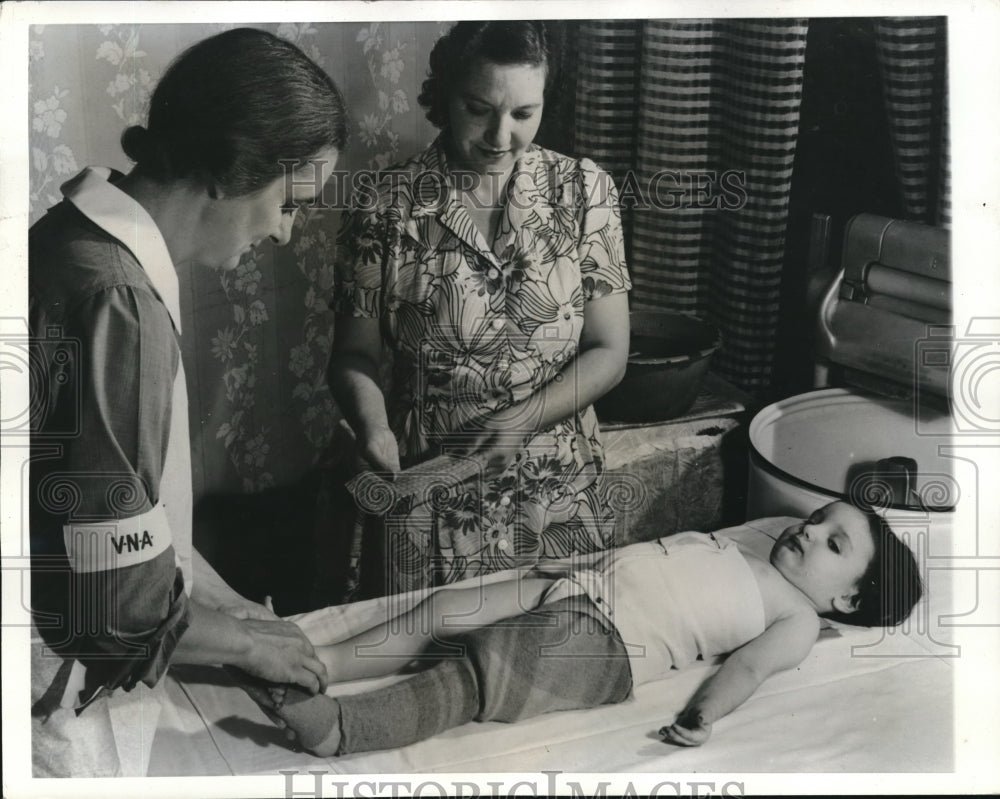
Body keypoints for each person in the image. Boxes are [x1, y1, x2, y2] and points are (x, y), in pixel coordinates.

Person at [28, 28, 347, 777]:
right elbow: (115, 611)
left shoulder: (68, 241)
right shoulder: (119, 304)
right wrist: (242, 642)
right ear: (235, 168)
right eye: (290, 203)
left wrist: (234, 605)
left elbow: (120, 521)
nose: (283, 231)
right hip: (47, 697)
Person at [326, 21, 632, 596]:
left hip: (556, 489)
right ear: (444, 98)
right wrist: (371, 426)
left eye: (523, 114)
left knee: (555, 649)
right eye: (479, 108)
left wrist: (524, 418)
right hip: (430, 487)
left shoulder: (584, 190)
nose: (500, 135)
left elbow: (610, 352)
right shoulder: (384, 206)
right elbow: (353, 356)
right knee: (423, 660)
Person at [236, 500, 923, 756]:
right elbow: (654, 555)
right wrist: (579, 562)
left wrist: (703, 714)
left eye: (835, 544)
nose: (810, 530)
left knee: (479, 673)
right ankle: (317, 661)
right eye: (819, 519)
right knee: (446, 610)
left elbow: (744, 669)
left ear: (851, 602)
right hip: (582, 586)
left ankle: (339, 728)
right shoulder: (749, 544)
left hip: (608, 645)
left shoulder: (798, 617)